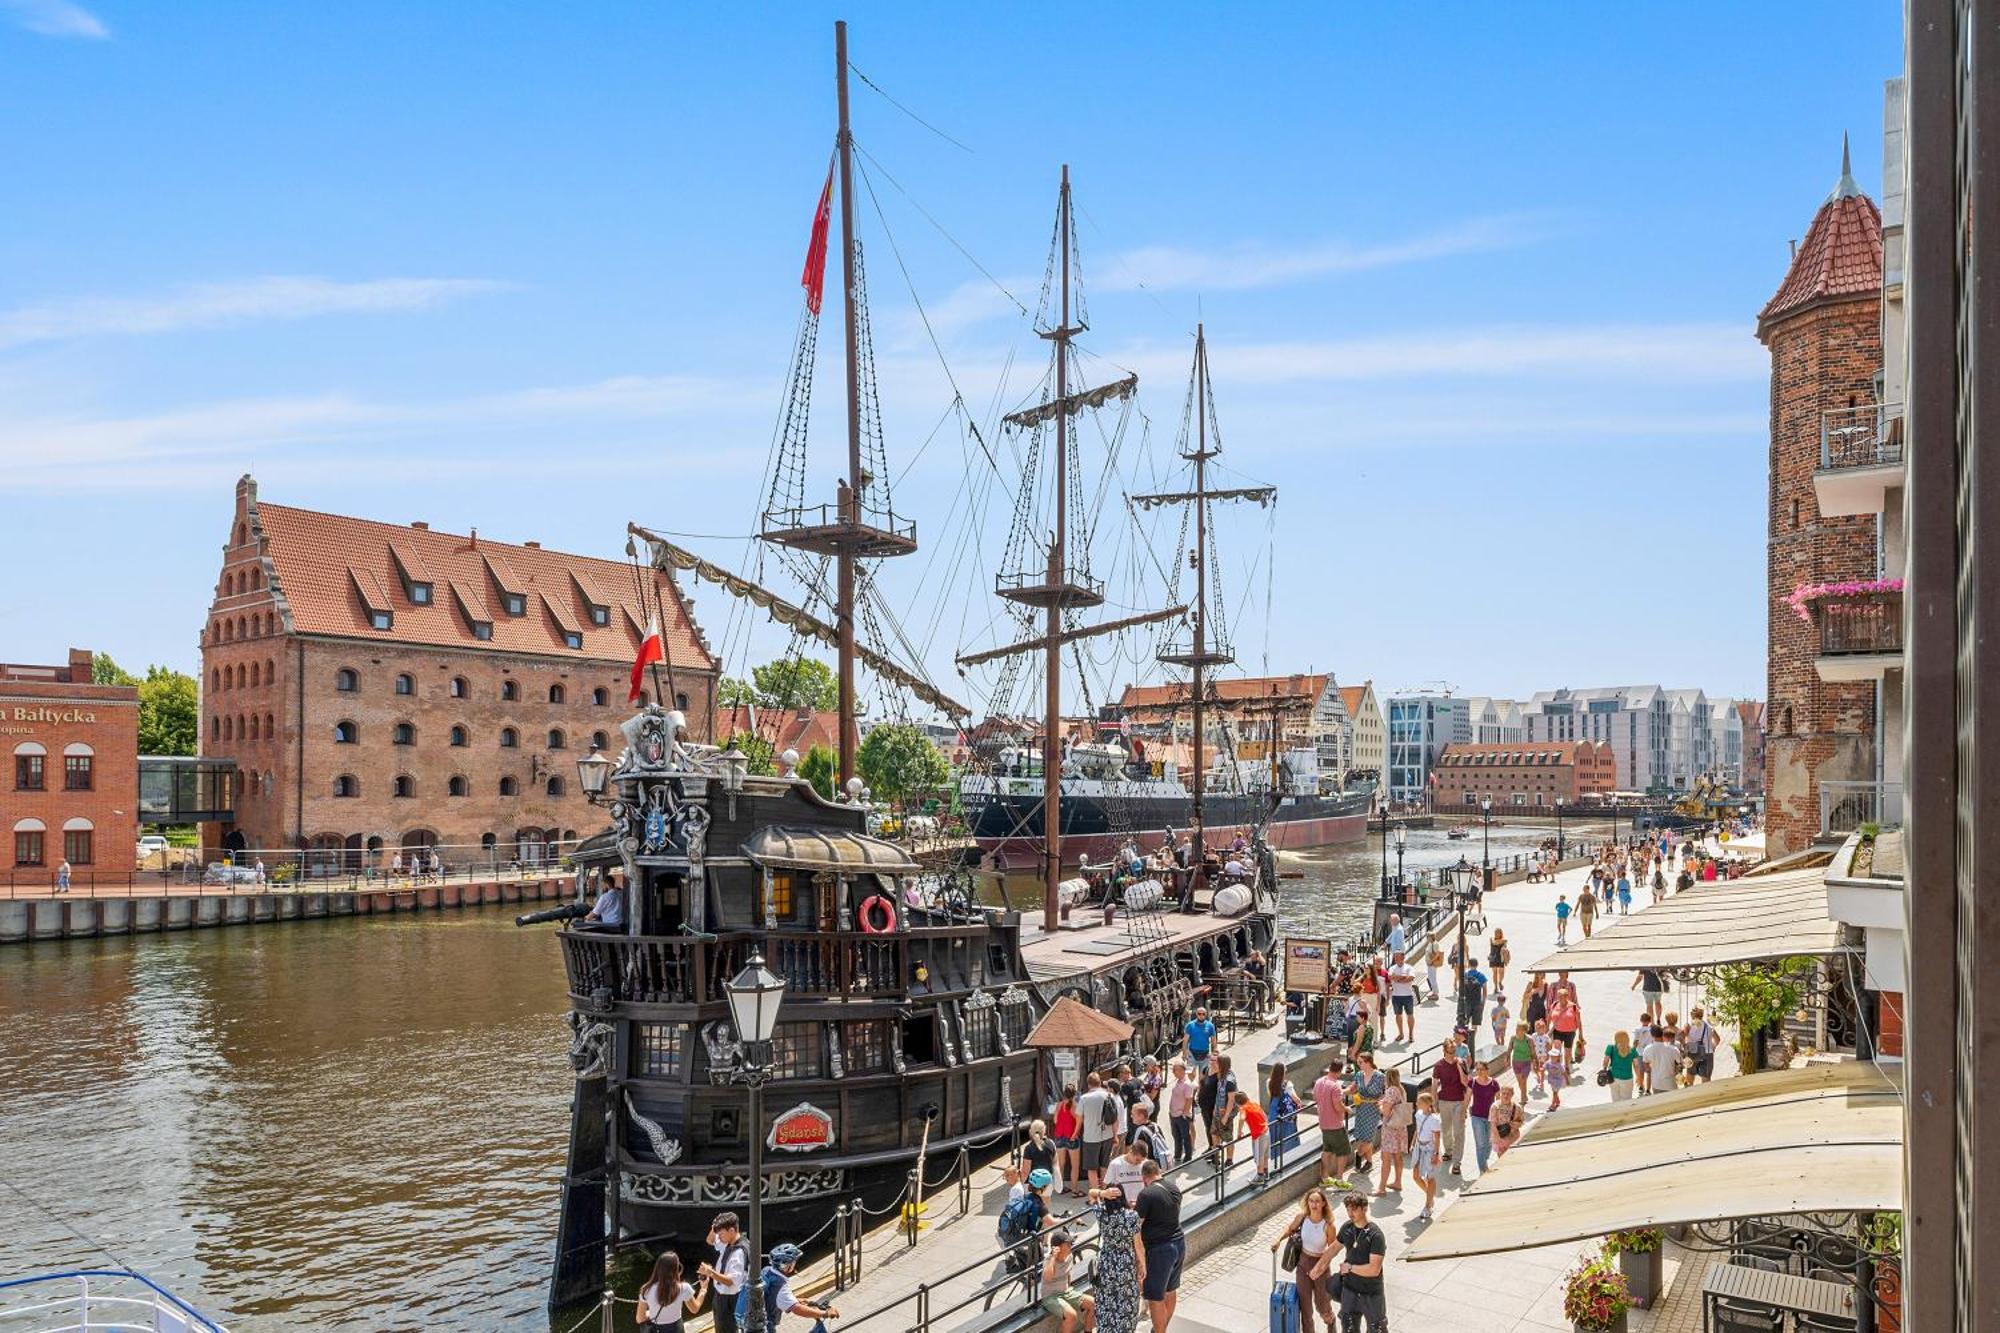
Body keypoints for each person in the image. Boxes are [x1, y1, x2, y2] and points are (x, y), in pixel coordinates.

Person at [1271, 1186, 1338, 1333]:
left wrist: (1321, 1266)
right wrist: (1278, 1240)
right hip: (1303, 1263)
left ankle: (1331, 1322)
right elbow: (1290, 1229)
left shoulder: (1328, 1226)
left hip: (1321, 1266)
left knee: (1322, 1304)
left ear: (1323, 1204)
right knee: (1305, 1305)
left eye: (1317, 1201)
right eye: (1311, 1201)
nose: (1314, 1204)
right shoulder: (1301, 1218)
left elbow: (1333, 1249)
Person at [736, 1243, 837, 1328]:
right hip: (764, 1327)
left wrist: (795, 1299)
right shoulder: (779, 1285)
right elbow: (797, 1309)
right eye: (794, 1262)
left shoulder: (767, 1271)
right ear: (787, 1265)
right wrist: (824, 1313)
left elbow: (771, 1296)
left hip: (749, 1323)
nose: (795, 1264)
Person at [1135, 1158, 1184, 1333]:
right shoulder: (1173, 1188)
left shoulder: (1146, 1194)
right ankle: (1160, 1329)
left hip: (1159, 1249)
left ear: (1144, 1177)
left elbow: (1137, 1227)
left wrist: (1140, 1259)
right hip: (1178, 1242)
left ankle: (1159, 1331)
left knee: (1155, 1297)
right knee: (1171, 1290)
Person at [1335, 1191, 1388, 1333]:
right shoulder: (1347, 1227)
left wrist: (1350, 1268)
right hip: (1350, 1290)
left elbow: (1374, 1269)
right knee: (1348, 1327)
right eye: (1348, 1209)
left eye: (1354, 1209)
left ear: (1364, 1208)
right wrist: (1318, 1268)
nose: (1350, 1213)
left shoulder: (1376, 1235)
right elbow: (1332, 1250)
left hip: (1371, 1293)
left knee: (1377, 1329)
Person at [699, 1212, 747, 1333]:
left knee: (727, 1328)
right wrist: (714, 1227)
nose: (718, 1237)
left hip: (730, 1299)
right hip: (721, 1295)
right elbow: (710, 1241)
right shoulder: (728, 1242)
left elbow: (731, 1281)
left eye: (721, 1234)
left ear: (731, 1231)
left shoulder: (738, 1253)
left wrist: (710, 1272)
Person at [1041, 1230, 1096, 1333]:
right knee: (1071, 1316)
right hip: (1050, 1297)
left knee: (1093, 1303)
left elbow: (1068, 1274)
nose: (1071, 1245)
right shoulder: (1049, 1260)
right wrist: (1053, 1257)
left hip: (1066, 1292)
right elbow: (1047, 1278)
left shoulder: (1069, 1256)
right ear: (1058, 1247)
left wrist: (1069, 1288)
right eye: (1068, 1244)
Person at [636, 1251, 702, 1331]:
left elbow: (640, 1319)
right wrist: (703, 1290)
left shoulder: (646, 1289)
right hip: (676, 1329)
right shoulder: (684, 1288)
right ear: (676, 1269)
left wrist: (650, 1313)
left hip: (657, 1329)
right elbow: (694, 1309)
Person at [1077, 1072, 1119, 1193]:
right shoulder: (1109, 1096)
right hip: (1107, 1135)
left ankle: (1096, 1195)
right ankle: (1105, 1191)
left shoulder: (1084, 1098)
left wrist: (1075, 1134)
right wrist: (1115, 1136)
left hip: (1091, 1137)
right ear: (1100, 1082)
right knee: (1104, 1165)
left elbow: (1079, 1119)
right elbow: (1115, 1119)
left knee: (1092, 1168)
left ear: (1088, 1084)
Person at [1431, 1045, 1468, 1174]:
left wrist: (1458, 1067)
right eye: (1449, 1052)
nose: (1452, 1054)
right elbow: (1434, 1085)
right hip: (1444, 1100)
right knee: (1446, 1129)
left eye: (1453, 1052)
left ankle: (1457, 1162)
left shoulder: (1462, 1062)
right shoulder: (1438, 1066)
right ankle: (1448, 1151)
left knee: (1459, 1132)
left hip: (1459, 1101)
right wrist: (1434, 1101)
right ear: (1444, 1051)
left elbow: (1465, 1083)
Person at [1312, 1062, 1351, 1181]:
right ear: (1339, 1071)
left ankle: (1325, 1177)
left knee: (1327, 1150)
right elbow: (1338, 1106)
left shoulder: (1319, 1082)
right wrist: (1346, 1109)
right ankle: (1339, 1179)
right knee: (1343, 1151)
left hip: (1323, 1122)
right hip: (1335, 1124)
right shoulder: (1335, 1086)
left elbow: (1315, 1097)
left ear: (1329, 1068)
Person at [1348, 1052, 1385, 1178]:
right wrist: (1339, 1091)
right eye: (1357, 1062)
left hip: (1373, 1109)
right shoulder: (1359, 1075)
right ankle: (1369, 1162)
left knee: (1369, 1137)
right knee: (1362, 1137)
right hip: (1361, 1108)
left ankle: (1358, 1155)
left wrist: (1382, 1101)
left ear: (1368, 1062)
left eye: (1360, 1062)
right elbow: (1352, 1088)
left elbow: (1387, 1091)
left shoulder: (1379, 1076)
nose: (1358, 1065)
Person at [1374, 1069, 1409, 1197]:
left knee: (1386, 1158)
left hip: (1390, 1129)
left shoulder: (1390, 1091)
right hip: (1400, 1127)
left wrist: (1380, 1106)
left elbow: (1386, 1112)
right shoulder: (1401, 1089)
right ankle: (1398, 1182)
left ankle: (1381, 1188)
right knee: (1398, 1156)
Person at [1409, 1092, 1442, 1223]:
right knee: (1416, 1176)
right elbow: (1417, 1130)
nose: (1417, 1104)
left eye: (1419, 1102)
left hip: (1430, 1149)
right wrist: (1412, 1143)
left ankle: (1428, 1205)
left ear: (1428, 1104)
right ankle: (1430, 1196)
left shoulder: (1434, 1119)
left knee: (1430, 1177)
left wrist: (1436, 1153)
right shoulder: (1418, 1114)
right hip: (1419, 1147)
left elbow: (1438, 1137)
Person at [1466, 1061, 1501, 1175]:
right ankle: (1483, 1169)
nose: (1479, 1071)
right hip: (1477, 1116)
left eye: (1482, 1069)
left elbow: (1498, 1102)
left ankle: (1484, 1160)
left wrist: (1499, 1116)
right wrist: (1463, 1112)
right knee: (1480, 1144)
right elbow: (1467, 1097)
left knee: (1489, 1143)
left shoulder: (1494, 1083)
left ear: (1487, 1070)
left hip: (1491, 1117)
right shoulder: (1472, 1082)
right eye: (1477, 1069)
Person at [1268, 1063, 1301, 1173]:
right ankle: (1288, 1161)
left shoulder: (1269, 1082)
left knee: (1275, 1138)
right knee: (1288, 1137)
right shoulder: (1288, 1084)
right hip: (1285, 1115)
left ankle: (1275, 1162)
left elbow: (1271, 1095)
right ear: (1283, 1072)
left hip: (1273, 1112)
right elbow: (1296, 1099)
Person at [1052, 1085, 1083, 1196]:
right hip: (1071, 1137)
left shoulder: (1059, 1105)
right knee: (1075, 1166)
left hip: (1059, 1136)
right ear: (1074, 1094)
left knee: (1061, 1164)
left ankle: (1060, 1188)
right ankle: (1074, 1190)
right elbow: (1079, 1123)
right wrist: (1074, 1135)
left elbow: (1055, 1120)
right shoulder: (1075, 1106)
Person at [1235, 1090, 1271, 1184]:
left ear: (1238, 1104)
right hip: (1266, 1130)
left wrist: (1239, 1132)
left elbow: (1241, 1118)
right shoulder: (1254, 1103)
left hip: (1259, 1135)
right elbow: (1264, 1116)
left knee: (1259, 1156)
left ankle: (1260, 1176)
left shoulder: (1243, 1108)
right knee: (1265, 1155)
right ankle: (1266, 1173)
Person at [1105, 1133, 1150, 1205]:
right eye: (1137, 1160)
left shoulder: (1145, 1164)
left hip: (1141, 1205)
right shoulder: (1115, 1164)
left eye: (1142, 1160)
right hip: (1121, 1206)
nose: (1139, 1163)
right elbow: (1107, 1186)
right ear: (1131, 1152)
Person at [1211, 1054, 1240, 1164]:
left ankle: (1229, 1160)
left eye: (1217, 1062)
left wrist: (1226, 1116)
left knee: (1227, 1137)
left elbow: (1231, 1100)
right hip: (1218, 1111)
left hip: (1226, 1114)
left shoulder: (1229, 1081)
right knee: (1214, 1133)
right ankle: (1216, 1157)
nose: (1215, 1064)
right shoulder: (1221, 1075)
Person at [1165, 1060, 1196, 1164]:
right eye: (1173, 1070)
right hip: (1173, 1114)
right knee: (1176, 1136)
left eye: (1176, 1070)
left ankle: (1188, 1156)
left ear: (1183, 1070)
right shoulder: (1178, 1081)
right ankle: (1177, 1154)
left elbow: (1189, 1100)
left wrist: (1185, 1113)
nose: (1174, 1072)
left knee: (1185, 1136)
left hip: (1181, 1115)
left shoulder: (1187, 1084)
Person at [1640, 1023, 1680, 1095]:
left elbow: (1646, 1067)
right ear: (1663, 1034)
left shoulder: (1647, 1049)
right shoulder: (1673, 1049)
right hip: (1671, 1083)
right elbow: (1680, 1063)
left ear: (1652, 1035)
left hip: (1656, 1083)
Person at [1386, 951, 1418, 1043]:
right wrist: (1403, 977)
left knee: (1410, 1015)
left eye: (1397, 957)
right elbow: (1390, 977)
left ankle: (1411, 1034)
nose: (1395, 959)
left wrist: (1397, 979)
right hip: (1396, 996)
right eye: (1395, 957)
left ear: (1403, 958)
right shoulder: (1392, 968)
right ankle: (1401, 1033)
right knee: (1398, 1015)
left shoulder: (1409, 967)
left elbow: (1410, 978)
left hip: (1408, 995)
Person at [1683, 1006, 1719, 1083]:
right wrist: (1713, 1047)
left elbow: (1683, 1038)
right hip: (1707, 1053)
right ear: (1702, 1015)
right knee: (1706, 1079)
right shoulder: (1709, 1027)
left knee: (1690, 1076)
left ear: (1692, 1015)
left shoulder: (1688, 1026)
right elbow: (1717, 1040)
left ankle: (1689, 1093)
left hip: (1693, 1053)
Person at [1489, 1084, 1525, 1161]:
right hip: (1499, 1137)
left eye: (1508, 1094)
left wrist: (1517, 1124)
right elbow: (1493, 1124)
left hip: (1512, 1138)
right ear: (1500, 1094)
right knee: (1503, 1160)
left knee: (1511, 1160)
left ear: (1512, 1095)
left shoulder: (1517, 1107)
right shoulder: (1495, 1106)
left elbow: (1521, 1121)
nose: (1505, 1096)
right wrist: (1499, 1140)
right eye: (1503, 1093)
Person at [1602, 1030, 1639, 1102]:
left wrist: (1604, 1069)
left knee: (1615, 1099)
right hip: (1627, 1078)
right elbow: (1636, 1065)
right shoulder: (1632, 1050)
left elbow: (1605, 1061)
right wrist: (1639, 1077)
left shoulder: (1611, 1048)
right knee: (1626, 1100)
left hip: (1613, 1077)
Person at [1022, 1117, 1058, 1190]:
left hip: (1033, 1183)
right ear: (1044, 1130)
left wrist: (1021, 1184)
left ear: (1031, 1131)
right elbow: (1055, 1163)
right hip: (1047, 1181)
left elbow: (1026, 1171)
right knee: (1046, 1200)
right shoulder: (1051, 1143)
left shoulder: (1029, 1148)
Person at [1183, 1006, 1216, 1072]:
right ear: (1196, 1014)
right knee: (1190, 1074)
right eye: (1199, 1014)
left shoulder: (1210, 1026)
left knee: (1203, 1077)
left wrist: (1214, 1053)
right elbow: (1185, 1040)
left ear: (1206, 1014)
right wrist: (1184, 1052)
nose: (1201, 1015)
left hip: (1205, 1054)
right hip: (1192, 1053)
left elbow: (1213, 1040)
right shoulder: (1190, 1025)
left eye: (1203, 1014)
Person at [1507, 1023, 1535, 1100]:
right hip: (1515, 1063)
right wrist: (1507, 1059)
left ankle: (1522, 1098)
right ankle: (1524, 1094)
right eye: (1516, 1028)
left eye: (1519, 1029)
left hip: (1526, 1062)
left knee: (1523, 1081)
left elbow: (1533, 1052)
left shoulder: (1529, 1039)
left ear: (1524, 1031)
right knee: (1520, 1082)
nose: (1516, 1030)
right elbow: (1509, 1049)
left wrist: (1535, 1062)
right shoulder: (1513, 1038)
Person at [1488, 928, 1511, 992]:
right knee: (1495, 973)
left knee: (1502, 973)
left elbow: (1505, 945)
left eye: (1498, 932)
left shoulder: (1504, 941)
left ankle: (1500, 982)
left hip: (1501, 958)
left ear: (1501, 933)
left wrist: (1503, 943)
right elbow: (1494, 942)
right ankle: (1495, 987)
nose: (1496, 934)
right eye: (1495, 932)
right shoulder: (1492, 939)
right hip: (1493, 957)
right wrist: (1502, 941)